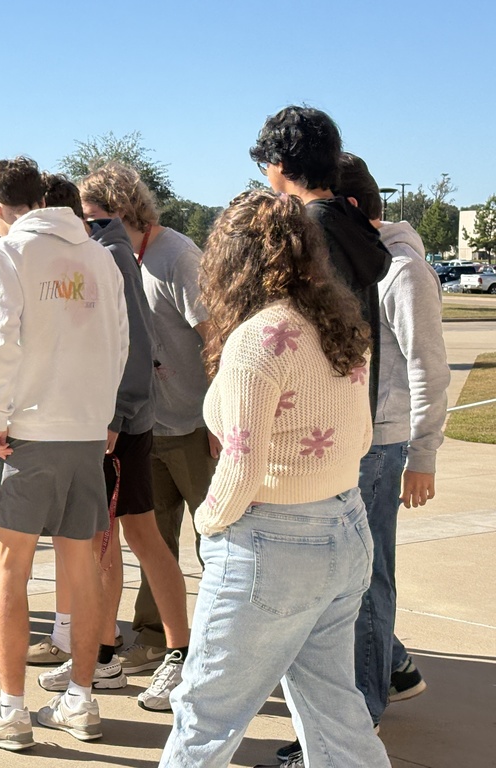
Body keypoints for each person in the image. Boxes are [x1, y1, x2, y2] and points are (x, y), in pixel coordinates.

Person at [158, 189, 389, 768]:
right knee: (333, 706)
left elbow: (239, 465)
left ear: (231, 261)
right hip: (343, 528)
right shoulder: (337, 324)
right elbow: (360, 439)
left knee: (205, 709)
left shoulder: (257, 340)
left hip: (270, 543)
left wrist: (210, 526)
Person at [0, 157, 128, 751]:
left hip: (27, 428)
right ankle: (80, 699)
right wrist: (102, 415)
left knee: (13, 564)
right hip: (85, 428)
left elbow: (2, 337)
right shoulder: (100, 257)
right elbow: (119, 342)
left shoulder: (5, 254)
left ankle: (10, 709)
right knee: (80, 565)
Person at [33, 174, 192, 713]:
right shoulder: (100, 249)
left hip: (120, 424)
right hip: (99, 418)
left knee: (141, 536)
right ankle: (102, 652)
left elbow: (134, 344)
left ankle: (180, 651)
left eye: (86, 212)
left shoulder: (110, 253)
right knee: (103, 538)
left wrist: (120, 415)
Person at [77, 162, 218, 682]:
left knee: (218, 543)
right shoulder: (111, 259)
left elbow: (216, 337)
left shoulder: (177, 256)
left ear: (126, 210)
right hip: (146, 426)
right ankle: (156, 640)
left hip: (197, 427)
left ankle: (217, 649)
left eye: (95, 220)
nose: (89, 231)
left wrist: (223, 422)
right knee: (151, 538)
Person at [333, 154, 447, 732]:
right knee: (350, 575)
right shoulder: (359, 263)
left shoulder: (402, 271)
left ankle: (363, 714)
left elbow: (430, 367)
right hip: (350, 441)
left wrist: (421, 457)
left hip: (381, 446)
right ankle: (394, 666)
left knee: (366, 575)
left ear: (348, 208)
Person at [250, 106, 391, 416]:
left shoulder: (311, 227)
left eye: (265, 164)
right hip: (350, 404)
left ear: (281, 164)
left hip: (316, 410)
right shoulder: (348, 219)